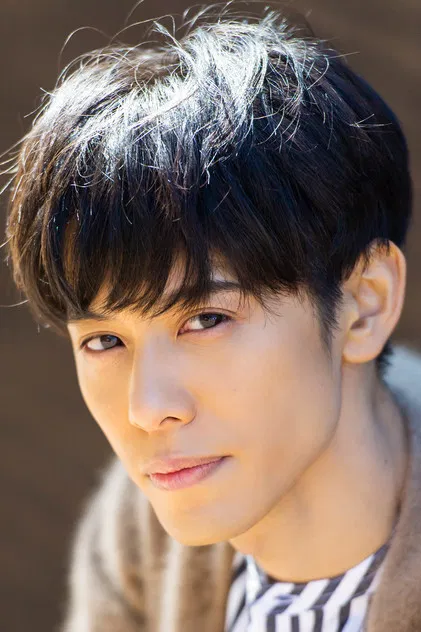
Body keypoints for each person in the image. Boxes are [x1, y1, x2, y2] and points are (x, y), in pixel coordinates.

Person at [3, 4, 421, 631]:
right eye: (105, 339)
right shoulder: (136, 541)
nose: (148, 409)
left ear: (365, 303)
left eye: (205, 320)